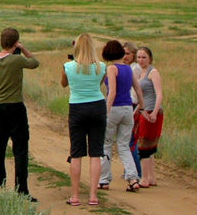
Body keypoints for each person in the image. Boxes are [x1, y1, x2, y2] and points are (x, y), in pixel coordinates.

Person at [0, 27, 40, 201]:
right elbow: (35, 62)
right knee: (20, 150)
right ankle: (21, 189)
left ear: (1, 41)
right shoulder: (17, 60)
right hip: (15, 107)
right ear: (15, 43)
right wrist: (23, 49)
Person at [60, 33, 107, 206]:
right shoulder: (101, 66)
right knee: (95, 153)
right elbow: (99, 84)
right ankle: (93, 195)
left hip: (77, 107)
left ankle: (75, 195)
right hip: (97, 106)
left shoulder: (68, 66)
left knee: (76, 153)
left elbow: (64, 84)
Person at [99, 40, 145, 192]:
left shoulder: (112, 69)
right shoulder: (128, 69)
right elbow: (138, 90)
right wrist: (142, 108)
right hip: (127, 109)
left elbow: (111, 92)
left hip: (115, 109)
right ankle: (133, 178)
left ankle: (104, 180)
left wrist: (106, 111)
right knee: (124, 146)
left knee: (106, 144)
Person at [136, 46, 163, 187]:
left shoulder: (153, 72)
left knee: (145, 146)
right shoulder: (139, 72)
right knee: (148, 145)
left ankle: (145, 178)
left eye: (144, 57)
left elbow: (159, 94)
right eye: (139, 57)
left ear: (150, 59)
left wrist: (154, 112)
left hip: (152, 111)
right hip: (143, 111)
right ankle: (151, 177)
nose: (141, 60)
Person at [122, 41, 142, 179]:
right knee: (126, 141)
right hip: (129, 104)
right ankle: (130, 171)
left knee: (129, 142)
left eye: (128, 53)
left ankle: (136, 173)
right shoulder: (128, 67)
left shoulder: (134, 68)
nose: (125, 56)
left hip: (132, 105)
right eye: (123, 53)